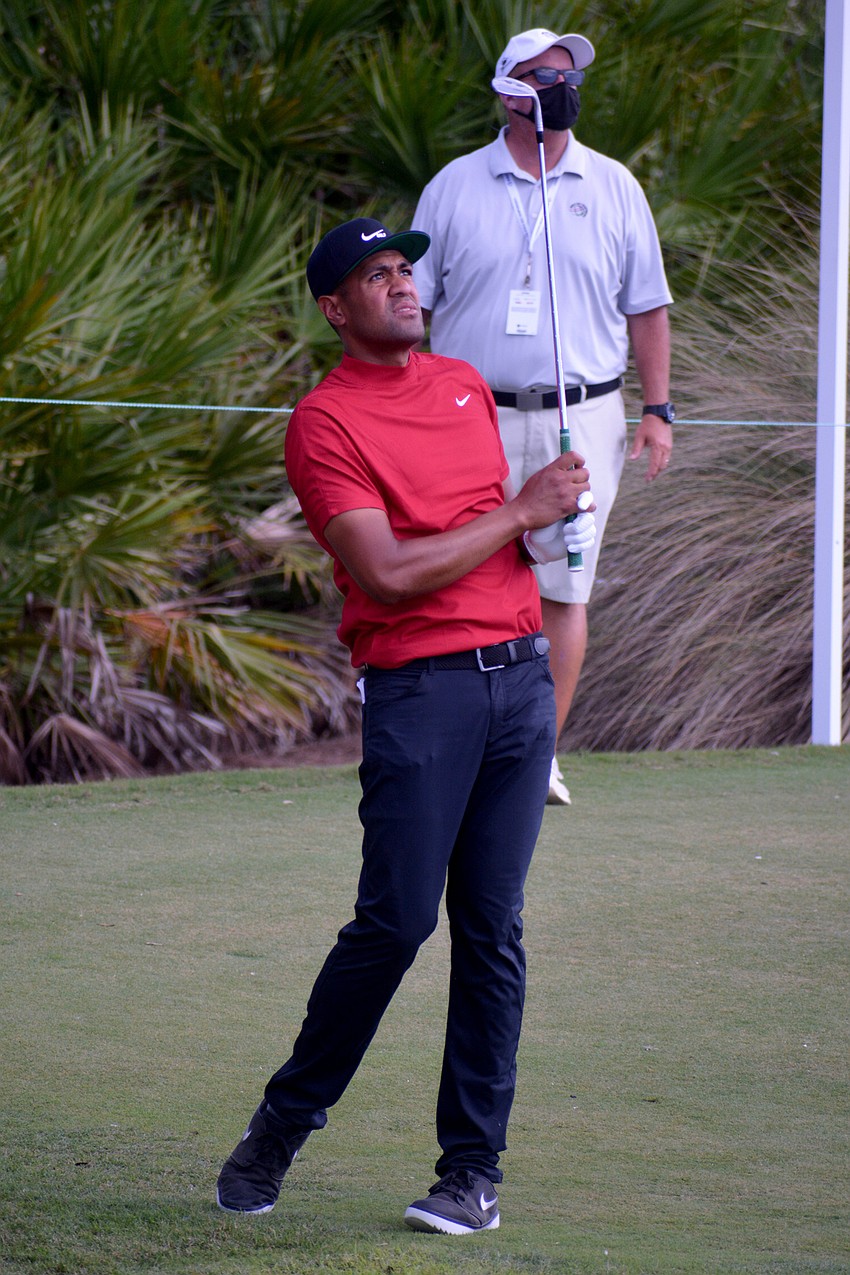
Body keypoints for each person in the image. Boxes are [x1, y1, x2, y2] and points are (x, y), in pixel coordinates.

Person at [214, 217, 596, 1235]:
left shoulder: (465, 384)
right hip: (421, 694)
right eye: (374, 276)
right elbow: (385, 571)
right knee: (393, 925)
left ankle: (472, 1173)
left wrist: (549, 511)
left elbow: (479, 528)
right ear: (336, 309)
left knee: (493, 929)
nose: (400, 285)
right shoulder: (322, 423)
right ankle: (281, 1127)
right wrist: (519, 514)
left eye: (404, 270)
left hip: (518, 684)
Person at [412, 26, 674, 804]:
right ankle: (455, 751)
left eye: (568, 75)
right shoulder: (454, 186)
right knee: (466, 577)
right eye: (542, 75)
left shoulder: (614, 184)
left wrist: (657, 410)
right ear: (507, 92)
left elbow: (649, 307)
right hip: (470, 417)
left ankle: (536, 756)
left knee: (564, 586)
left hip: (584, 415)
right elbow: (412, 312)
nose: (561, 86)